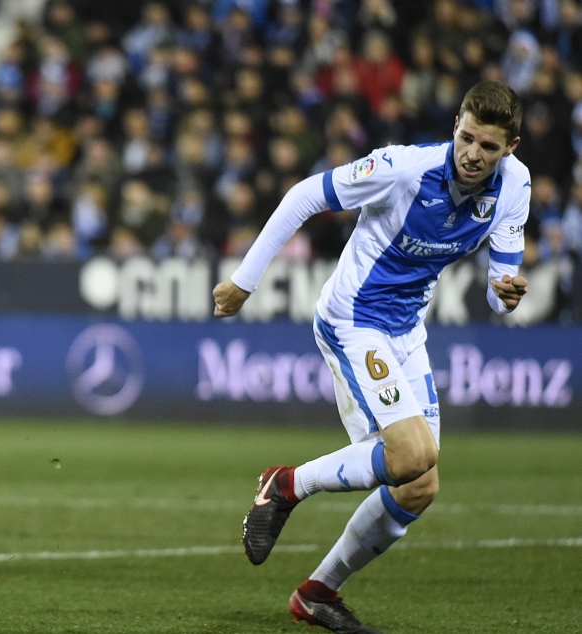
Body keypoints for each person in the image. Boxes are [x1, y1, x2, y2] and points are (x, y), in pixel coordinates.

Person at [213, 80, 530, 634]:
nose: (473, 155)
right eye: (467, 138)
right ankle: (285, 484)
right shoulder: (403, 168)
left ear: (512, 147)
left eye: (489, 147)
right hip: (353, 323)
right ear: (455, 124)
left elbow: (498, 287)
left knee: (419, 484)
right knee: (410, 455)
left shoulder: (514, 188)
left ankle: (317, 593)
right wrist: (245, 281)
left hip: (407, 332)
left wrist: (504, 291)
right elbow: (305, 196)